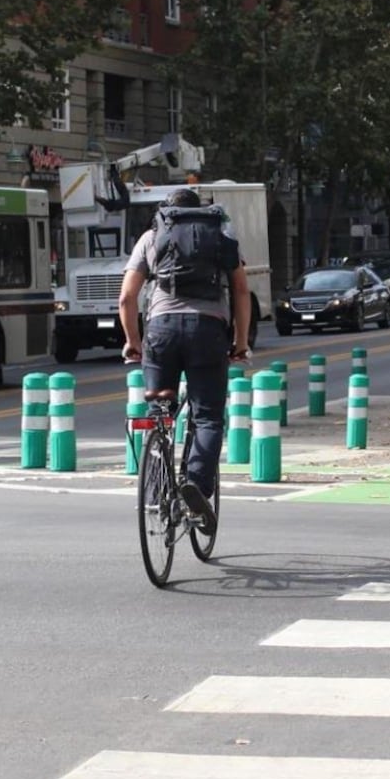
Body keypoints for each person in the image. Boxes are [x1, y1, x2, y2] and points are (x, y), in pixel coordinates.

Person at [119, 188, 252, 534]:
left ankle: (155, 492)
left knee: (159, 413)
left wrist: (133, 343)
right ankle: (195, 484)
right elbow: (241, 290)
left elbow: (127, 298)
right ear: (203, 213)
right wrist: (240, 343)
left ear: (167, 213)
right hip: (209, 331)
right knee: (207, 417)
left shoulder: (152, 237)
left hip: (161, 332)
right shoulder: (221, 235)